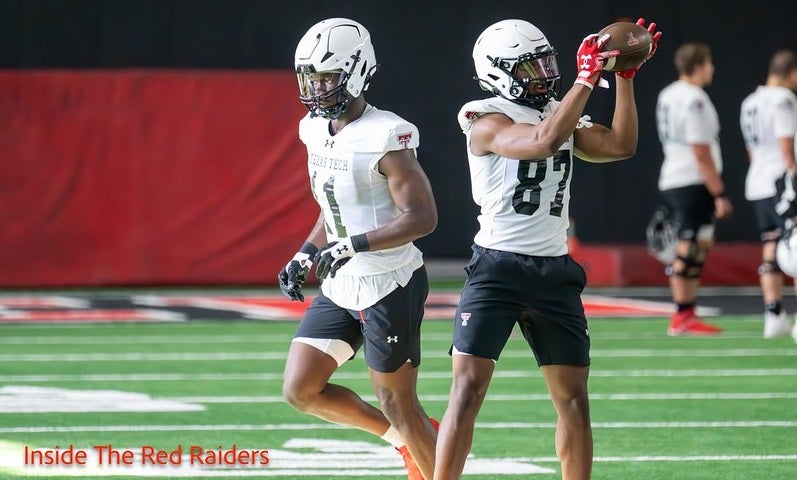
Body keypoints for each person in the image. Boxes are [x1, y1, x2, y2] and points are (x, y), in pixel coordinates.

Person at [434, 18, 661, 480]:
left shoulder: (559, 109)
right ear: (499, 72)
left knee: (574, 400)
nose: (544, 74)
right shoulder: (482, 116)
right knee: (467, 391)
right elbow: (542, 142)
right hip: (497, 268)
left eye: (546, 63)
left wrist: (623, 79)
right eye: (530, 67)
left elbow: (620, 145)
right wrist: (584, 81)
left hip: (554, 270)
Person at [279, 18, 439, 480]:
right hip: (342, 278)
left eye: (326, 76)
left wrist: (353, 244)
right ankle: (405, 441)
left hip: (389, 280)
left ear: (357, 71)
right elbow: (333, 209)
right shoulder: (313, 129)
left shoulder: (387, 135)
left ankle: (424, 450)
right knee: (301, 389)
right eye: (308, 76)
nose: (315, 87)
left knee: (397, 400)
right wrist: (305, 253)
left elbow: (423, 218)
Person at [655, 42, 732, 336]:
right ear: (698, 65)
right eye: (709, 63)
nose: (711, 69)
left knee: (697, 244)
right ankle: (682, 314)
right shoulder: (695, 98)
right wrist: (719, 192)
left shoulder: (668, 94)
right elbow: (700, 149)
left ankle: (686, 312)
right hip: (692, 178)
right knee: (690, 246)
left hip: (674, 175)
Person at [740, 49, 797, 338]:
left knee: (772, 244)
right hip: (780, 179)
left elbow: (752, 151)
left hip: (758, 181)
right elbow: (787, 147)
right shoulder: (783, 99)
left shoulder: (751, 101)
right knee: (795, 243)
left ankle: (773, 313)